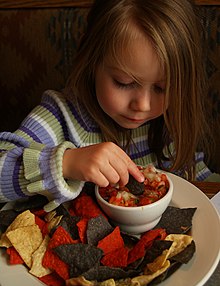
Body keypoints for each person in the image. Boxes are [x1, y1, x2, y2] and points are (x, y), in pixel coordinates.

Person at [0, 0, 219, 211]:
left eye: (162, 88)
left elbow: (196, 178)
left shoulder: (169, 120)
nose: (142, 105)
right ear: (92, 62)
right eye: (123, 82)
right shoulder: (59, 117)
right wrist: (66, 163)